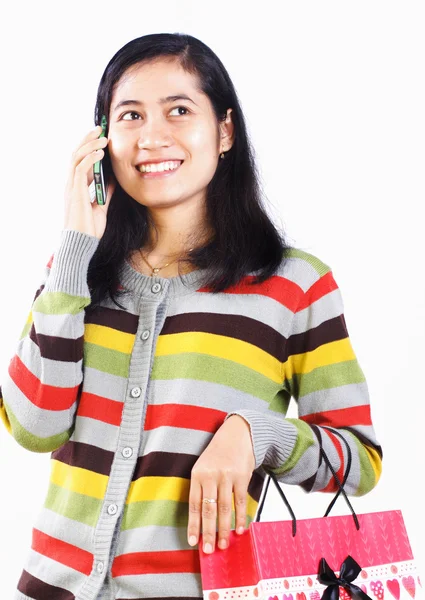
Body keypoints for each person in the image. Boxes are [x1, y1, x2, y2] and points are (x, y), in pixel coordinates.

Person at [0, 32, 382, 600]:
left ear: (225, 130)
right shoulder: (74, 272)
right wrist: (76, 248)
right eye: (129, 115)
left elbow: (360, 461)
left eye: (179, 110)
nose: (153, 137)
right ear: (103, 139)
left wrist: (257, 434)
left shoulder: (296, 284)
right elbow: (34, 427)